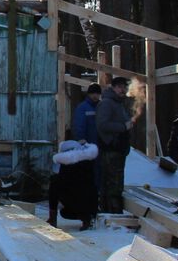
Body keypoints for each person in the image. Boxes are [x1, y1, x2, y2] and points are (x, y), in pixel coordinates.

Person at [95, 76, 136, 213]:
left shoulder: (119, 104)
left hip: (118, 149)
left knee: (115, 183)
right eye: (119, 87)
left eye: (124, 87)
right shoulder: (107, 103)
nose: (122, 89)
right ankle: (112, 212)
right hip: (110, 149)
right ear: (113, 88)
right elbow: (103, 125)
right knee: (112, 184)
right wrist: (123, 127)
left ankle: (111, 212)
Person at [49, 139, 99, 230]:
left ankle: (52, 218)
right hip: (90, 207)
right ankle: (87, 219)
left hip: (72, 207)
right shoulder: (89, 162)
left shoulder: (65, 165)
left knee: (54, 183)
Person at [72, 83, 103, 199]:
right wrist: (81, 140)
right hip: (88, 145)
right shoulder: (83, 108)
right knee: (89, 172)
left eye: (97, 93)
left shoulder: (101, 107)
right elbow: (78, 125)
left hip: (100, 145)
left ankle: (96, 195)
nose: (95, 96)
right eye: (93, 93)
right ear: (89, 94)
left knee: (98, 172)